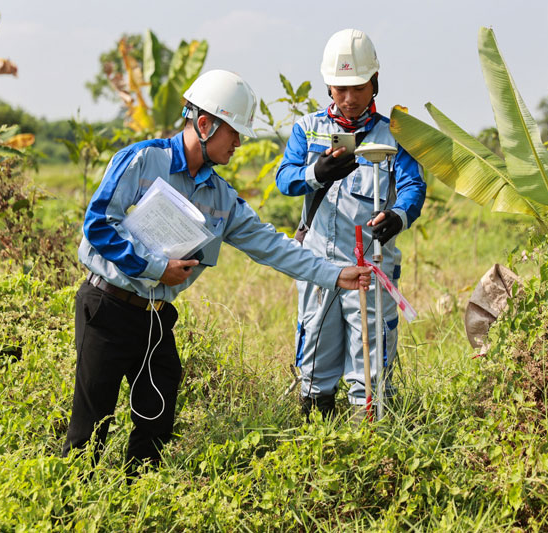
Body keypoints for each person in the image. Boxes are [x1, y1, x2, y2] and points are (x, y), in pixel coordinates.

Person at [62, 69, 371, 472]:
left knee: (156, 420)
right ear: (204, 125)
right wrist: (158, 267)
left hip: (154, 318)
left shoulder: (221, 197)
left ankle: (135, 496)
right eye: (234, 133)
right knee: (90, 429)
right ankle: (71, 503)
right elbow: (98, 225)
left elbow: (272, 246)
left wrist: (334, 274)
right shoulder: (141, 160)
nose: (240, 143)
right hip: (106, 307)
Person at [276, 29, 426, 418]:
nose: (349, 98)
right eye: (340, 88)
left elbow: (413, 186)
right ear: (328, 85)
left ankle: (371, 440)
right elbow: (284, 178)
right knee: (315, 358)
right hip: (318, 267)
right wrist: (315, 172)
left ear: (374, 82)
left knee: (371, 361)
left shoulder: (394, 134)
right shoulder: (307, 129)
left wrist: (398, 215)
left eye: (357, 87)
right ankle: (317, 433)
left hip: (371, 267)